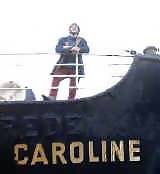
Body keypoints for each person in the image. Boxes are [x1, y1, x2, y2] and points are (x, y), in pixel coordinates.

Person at [43, 23, 89, 101]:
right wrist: (70, 48)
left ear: (78, 30)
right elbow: (58, 49)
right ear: (69, 29)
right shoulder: (63, 39)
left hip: (75, 67)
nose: (74, 28)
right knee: (56, 78)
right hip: (63, 65)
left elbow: (87, 49)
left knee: (73, 85)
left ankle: (71, 100)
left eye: (76, 27)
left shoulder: (82, 40)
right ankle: (52, 97)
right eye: (72, 27)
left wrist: (79, 49)